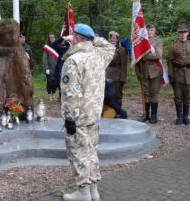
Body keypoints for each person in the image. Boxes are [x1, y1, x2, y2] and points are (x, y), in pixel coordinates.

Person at [61, 23, 115, 201]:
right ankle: (94, 191)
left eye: (72, 35)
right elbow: (108, 45)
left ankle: (83, 192)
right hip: (94, 114)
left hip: (78, 117)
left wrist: (69, 119)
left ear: (76, 38)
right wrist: (91, 38)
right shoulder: (98, 55)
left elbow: (70, 93)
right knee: (91, 151)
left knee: (78, 153)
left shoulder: (74, 60)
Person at [167, 24, 190, 125]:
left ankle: (186, 116)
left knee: (188, 96)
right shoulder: (173, 45)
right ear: (178, 33)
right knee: (178, 96)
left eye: (184, 32)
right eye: (181, 32)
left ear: (188, 33)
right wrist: (171, 75)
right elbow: (170, 61)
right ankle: (179, 116)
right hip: (177, 75)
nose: (183, 34)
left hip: (189, 74)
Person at [135, 24, 163, 124]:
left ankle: (154, 115)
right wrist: (138, 72)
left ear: (154, 31)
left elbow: (158, 55)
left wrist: (145, 56)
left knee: (154, 93)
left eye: (151, 30)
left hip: (155, 71)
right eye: (148, 30)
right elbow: (136, 58)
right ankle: (146, 114)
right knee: (145, 93)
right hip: (144, 71)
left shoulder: (158, 42)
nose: (149, 32)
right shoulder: (140, 42)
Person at [105, 31, 127, 107]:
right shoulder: (104, 49)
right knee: (106, 96)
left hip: (116, 77)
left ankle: (118, 113)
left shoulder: (121, 50)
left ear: (117, 39)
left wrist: (122, 79)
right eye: (111, 37)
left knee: (117, 96)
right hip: (105, 75)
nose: (113, 39)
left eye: (115, 38)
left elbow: (124, 66)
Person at [42, 32, 58, 101]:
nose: (52, 39)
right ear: (49, 39)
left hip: (56, 68)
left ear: (55, 38)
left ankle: (53, 94)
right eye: (50, 37)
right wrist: (46, 68)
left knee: (55, 82)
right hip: (49, 68)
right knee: (49, 82)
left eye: (53, 37)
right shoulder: (47, 47)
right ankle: (49, 95)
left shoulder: (57, 46)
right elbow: (44, 58)